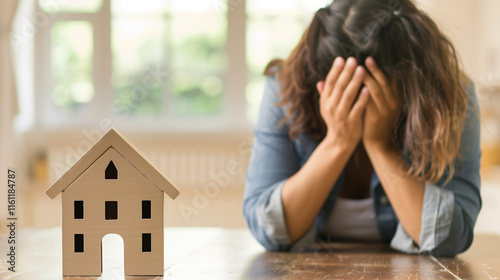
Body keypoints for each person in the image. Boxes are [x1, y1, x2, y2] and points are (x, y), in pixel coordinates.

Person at [243, 0, 481, 257]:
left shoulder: (447, 96)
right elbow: (267, 227)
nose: (356, 103)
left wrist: (379, 145)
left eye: (371, 89)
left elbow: (451, 237)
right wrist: (338, 142)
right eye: (343, 88)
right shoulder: (286, 87)